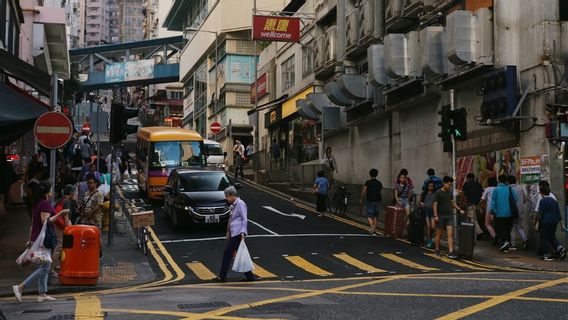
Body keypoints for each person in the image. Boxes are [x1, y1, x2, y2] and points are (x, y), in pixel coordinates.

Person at [13, 181, 69, 303]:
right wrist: (61, 213)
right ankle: (20, 287)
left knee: (44, 266)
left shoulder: (39, 203)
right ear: (47, 192)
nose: (52, 191)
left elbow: (34, 223)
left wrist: (30, 239)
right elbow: (46, 221)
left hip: (36, 238)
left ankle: (42, 293)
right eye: (51, 189)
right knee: (45, 267)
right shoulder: (44, 204)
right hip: (41, 240)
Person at [215, 186, 255, 282]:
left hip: (238, 234)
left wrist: (243, 232)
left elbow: (244, 218)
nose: (226, 198)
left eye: (227, 196)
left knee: (227, 254)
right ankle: (249, 276)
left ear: (232, 195)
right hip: (234, 233)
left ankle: (222, 276)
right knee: (239, 255)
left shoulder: (240, 204)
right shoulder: (234, 204)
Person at [433, 176, 464, 259]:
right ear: (444, 183)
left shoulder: (450, 193)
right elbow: (435, 204)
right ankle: (437, 250)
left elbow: (452, 203)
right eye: (449, 184)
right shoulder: (438, 193)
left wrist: (459, 209)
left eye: (451, 185)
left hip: (449, 216)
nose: (450, 186)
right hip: (440, 216)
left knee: (450, 234)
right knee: (439, 234)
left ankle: (450, 251)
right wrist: (435, 215)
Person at [535, 183, 566, 261]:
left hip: (546, 222)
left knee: (544, 238)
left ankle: (547, 255)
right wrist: (561, 223)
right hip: (554, 222)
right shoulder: (554, 200)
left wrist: (537, 224)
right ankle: (560, 248)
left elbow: (541, 213)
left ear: (542, 193)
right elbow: (558, 212)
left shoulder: (543, 201)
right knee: (551, 237)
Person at [489, 174, 518, 252]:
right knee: (507, 229)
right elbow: (516, 199)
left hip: (499, 213)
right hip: (509, 213)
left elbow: (493, 202)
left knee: (499, 229)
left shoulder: (496, 190)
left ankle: (503, 243)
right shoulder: (510, 189)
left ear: (498, 180)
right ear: (506, 181)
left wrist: (492, 212)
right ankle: (506, 245)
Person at [52, 185, 74, 275]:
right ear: (71, 193)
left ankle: (57, 265)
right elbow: (66, 216)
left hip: (56, 225)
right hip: (61, 227)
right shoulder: (67, 202)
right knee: (59, 246)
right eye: (74, 192)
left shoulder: (60, 200)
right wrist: (69, 228)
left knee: (59, 246)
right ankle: (51, 269)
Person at [461, 173, 485, 239]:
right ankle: (477, 233)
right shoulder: (479, 184)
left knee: (472, 219)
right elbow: (482, 193)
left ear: (467, 178)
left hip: (470, 204)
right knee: (476, 219)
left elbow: (463, 194)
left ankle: (479, 232)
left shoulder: (466, 184)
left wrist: (463, 202)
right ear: (474, 178)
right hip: (478, 205)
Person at [360, 168, 383, 235]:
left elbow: (364, 191)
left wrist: (361, 198)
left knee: (369, 216)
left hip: (370, 200)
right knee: (375, 216)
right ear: (376, 175)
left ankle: (372, 227)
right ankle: (374, 229)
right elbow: (381, 192)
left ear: (370, 174)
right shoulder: (379, 183)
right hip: (377, 200)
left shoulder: (368, 182)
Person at [507, 175, 528, 250]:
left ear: (508, 181)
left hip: (511, 211)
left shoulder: (508, 189)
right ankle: (524, 238)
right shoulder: (520, 188)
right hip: (521, 210)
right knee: (519, 226)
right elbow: (525, 200)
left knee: (511, 227)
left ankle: (513, 244)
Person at [420, 181, 438, 248]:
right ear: (427, 186)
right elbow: (421, 202)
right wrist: (422, 204)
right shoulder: (424, 194)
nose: (431, 187)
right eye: (429, 186)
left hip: (433, 211)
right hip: (426, 211)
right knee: (428, 227)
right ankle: (429, 240)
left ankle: (431, 238)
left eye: (432, 186)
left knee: (433, 227)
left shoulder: (435, 194)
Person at [480, 176, 498, 244]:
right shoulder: (497, 189)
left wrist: (480, 205)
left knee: (487, 224)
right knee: (495, 224)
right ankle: (498, 236)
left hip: (489, 208)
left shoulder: (487, 189)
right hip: (497, 209)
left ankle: (494, 236)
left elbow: (482, 199)